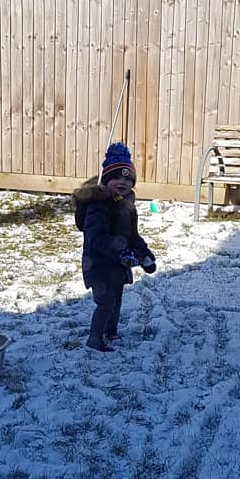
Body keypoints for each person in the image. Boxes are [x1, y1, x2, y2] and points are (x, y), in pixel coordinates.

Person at [72, 142, 157, 352]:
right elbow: (97, 238)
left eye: (128, 179)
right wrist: (120, 251)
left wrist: (144, 254)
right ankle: (95, 338)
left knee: (117, 300)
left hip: (118, 266)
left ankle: (111, 332)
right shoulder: (97, 205)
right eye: (117, 177)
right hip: (99, 265)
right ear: (106, 180)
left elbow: (132, 235)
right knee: (106, 303)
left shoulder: (126, 205)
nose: (122, 182)